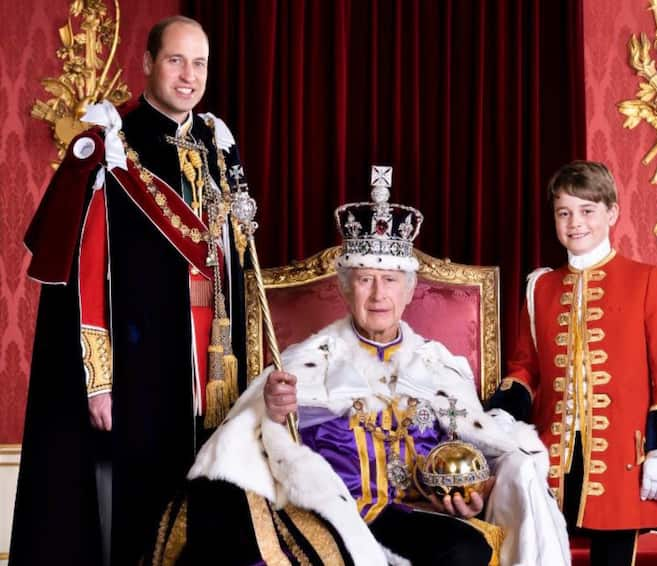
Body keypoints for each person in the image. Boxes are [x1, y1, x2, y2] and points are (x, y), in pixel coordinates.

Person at [155, 167, 570, 566]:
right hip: (337, 514)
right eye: (364, 279)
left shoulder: (439, 366)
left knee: (466, 549)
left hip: (418, 514)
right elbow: (258, 445)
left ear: (409, 292)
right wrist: (276, 414)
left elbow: (479, 449)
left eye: (389, 281)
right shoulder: (308, 362)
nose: (377, 295)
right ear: (344, 288)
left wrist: (475, 492)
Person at [11, 16, 250, 566]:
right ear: (146, 63)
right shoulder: (112, 142)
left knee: (209, 519)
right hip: (140, 368)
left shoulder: (219, 145)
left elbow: (236, 266)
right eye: (175, 60)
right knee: (142, 521)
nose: (189, 76)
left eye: (200, 63)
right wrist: (98, 381)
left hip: (215, 370)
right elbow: (87, 271)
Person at [489, 160, 657, 565]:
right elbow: (525, 367)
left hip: (622, 458)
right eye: (564, 212)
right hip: (554, 457)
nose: (574, 222)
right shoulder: (541, 287)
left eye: (587, 210)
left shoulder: (644, 279)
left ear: (612, 213)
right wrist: (502, 412)